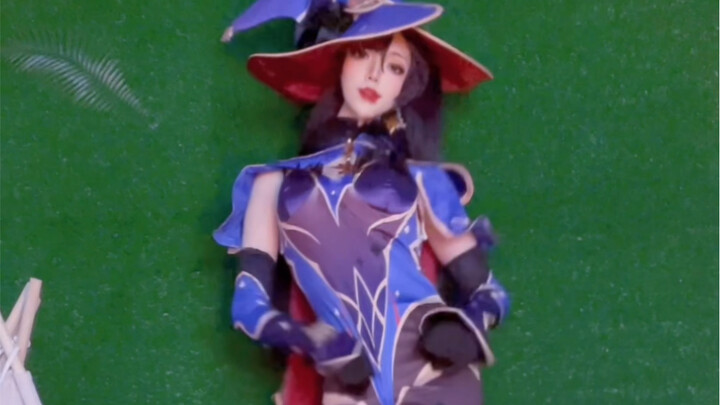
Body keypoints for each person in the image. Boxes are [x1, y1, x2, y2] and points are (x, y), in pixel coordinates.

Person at [215, 2, 510, 404]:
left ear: (406, 86)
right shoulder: (270, 184)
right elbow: (248, 306)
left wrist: (465, 329)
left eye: (395, 68)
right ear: (338, 59)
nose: (375, 74)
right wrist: (308, 339)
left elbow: (489, 292)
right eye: (361, 53)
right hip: (348, 379)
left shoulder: (424, 180)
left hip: (433, 370)